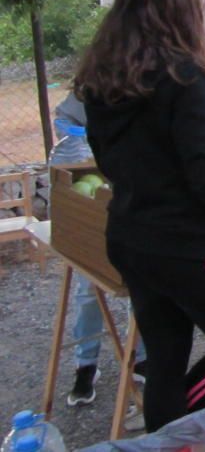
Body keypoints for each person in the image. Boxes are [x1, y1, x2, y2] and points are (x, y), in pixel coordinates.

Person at [74, 0, 205, 432]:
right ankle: (173, 433)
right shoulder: (186, 74)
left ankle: (165, 434)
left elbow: (106, 158)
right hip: (186, 244)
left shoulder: (100, 75)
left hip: (132, 236)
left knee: (165, 357)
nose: (201, 1)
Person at [52, 92, 148, 409]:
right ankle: (86, 365)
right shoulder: (95, 80)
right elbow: (63, 120)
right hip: (95, 192)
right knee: (88, 288)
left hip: (135, 194)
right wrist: (85, 136)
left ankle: (142, 360)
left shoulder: (151, 80)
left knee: (142, 284)